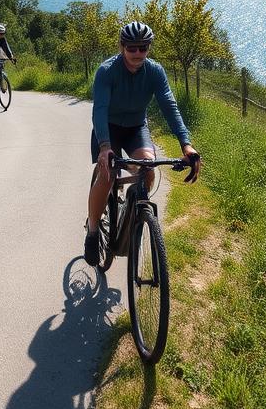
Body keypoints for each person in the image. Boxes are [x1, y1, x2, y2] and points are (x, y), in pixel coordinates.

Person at [84, 20, 200, 266]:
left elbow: (170, 106)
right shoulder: (107, 71)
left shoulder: (155, 71)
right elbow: (100, 109)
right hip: (109, 130)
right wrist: (105, 147)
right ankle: (93, 232)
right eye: (132, 48)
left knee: (147, 170)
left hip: (136, 127)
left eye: (143, 48)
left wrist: (186, 144)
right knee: (107, 175)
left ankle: (134, 217)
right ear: (122, 46)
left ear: (149, 48)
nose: (138, 53)